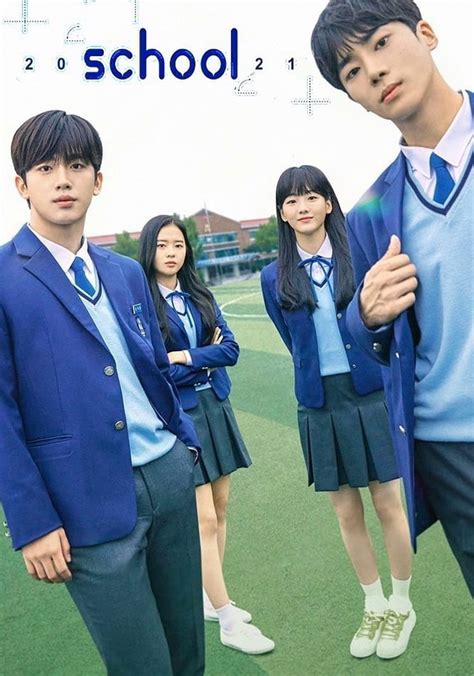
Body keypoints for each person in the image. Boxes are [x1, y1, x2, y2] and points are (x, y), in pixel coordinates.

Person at [0, 110, 205, 675]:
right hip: (83, 501)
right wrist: (33, 522)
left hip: (168, 478)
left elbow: (153, 368)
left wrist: (184, 443)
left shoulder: (124, 272)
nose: (63, 180)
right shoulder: (5, 278)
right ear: (22, 184)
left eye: (76, 165)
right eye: (45, 168)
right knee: (143, 666)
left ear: (98, 179)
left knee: (188, 656)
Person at [311, 0, 473, 595]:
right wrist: (366, 315)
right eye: (351, 70)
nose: (373, 70)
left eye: (380, 42)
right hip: (449, 449)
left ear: (425, 33)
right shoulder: (370, 213)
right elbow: (363, 330)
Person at [261, 165, 415, 659]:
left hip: (370, 393)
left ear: (329, 204)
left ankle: (401, 604)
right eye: (291, 200)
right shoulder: (272, 277)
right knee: (347, 512)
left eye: (311, 196)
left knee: (388, 503)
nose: (302, 206)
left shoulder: (362, 257)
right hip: (319, 403)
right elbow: (295, 344)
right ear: (283, 214)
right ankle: (373, 604)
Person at [138, 215, 275, 655]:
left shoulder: (200, 295)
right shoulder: (142, 305)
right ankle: (229, 618)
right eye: (163, 245)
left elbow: (229, 349)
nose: (171, 252)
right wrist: (199, 357)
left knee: (221, 509)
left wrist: (184, 356)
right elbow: (156, 367)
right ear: (149, 250)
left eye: (178, 245)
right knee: (204, 520)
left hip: (216, 407)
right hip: (182, 416)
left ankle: (208, 597)